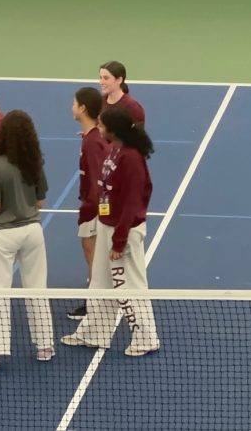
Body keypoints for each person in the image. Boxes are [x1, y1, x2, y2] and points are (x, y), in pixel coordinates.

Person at [61, 107, 161, 357]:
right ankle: (94, 333)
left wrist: (119, 241)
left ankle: (146, 337)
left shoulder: (131, 158)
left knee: (127, 286)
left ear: (113, 130)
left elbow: (133, 202)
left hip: (123, 231)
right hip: (107, 224)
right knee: (101, 282)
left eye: (102, 126)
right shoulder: (115, 150)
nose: (99, 129)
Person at [0, 110, 55, 372]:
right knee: (36, 289)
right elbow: (40, 201)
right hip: (32, 232)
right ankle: (45, 346)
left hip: (3, 235)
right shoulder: (35, 163)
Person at [67, 87, 109, 321]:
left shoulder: (92, 143)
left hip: (93, 207)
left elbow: (96, 182)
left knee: (91, 251)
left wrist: (90, 211)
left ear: (82, 108)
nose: (72, 107)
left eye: (74, 103)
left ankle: (94, 303)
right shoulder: (93, 137)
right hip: (97, 206)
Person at [99, 61, 146, 127]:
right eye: (100, 78)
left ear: (119, 80)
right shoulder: (99, 102)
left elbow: (137, 135)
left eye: (106, 78)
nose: (101, 82)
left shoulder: (133, 107)